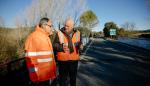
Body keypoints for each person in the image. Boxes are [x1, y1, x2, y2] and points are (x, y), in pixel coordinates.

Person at [24, 18, 56, 85]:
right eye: (50, 26)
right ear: (44, 25)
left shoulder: (45, 37)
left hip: (46, 76)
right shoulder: (34, 37)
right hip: (39, 78)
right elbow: (30, 59)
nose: (51, 28)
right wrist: (34, 77)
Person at [53, 18, 83, 86]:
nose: (66, 27)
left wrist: (81, 46)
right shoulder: (59, 32)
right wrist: (61, 47)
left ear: (72, 26)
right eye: (65, 25)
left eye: (68, 26)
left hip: (74, 60)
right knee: (62, 80)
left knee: (73, 79)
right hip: (63, 61)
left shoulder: (78, 33)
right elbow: (54, 45)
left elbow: (80, 43)